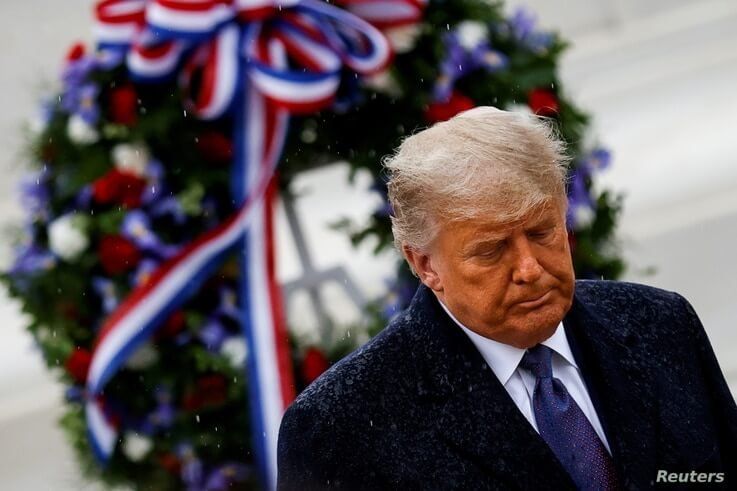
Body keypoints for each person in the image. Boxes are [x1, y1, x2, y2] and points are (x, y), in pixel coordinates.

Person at [276, 107, 737, 490]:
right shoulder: (341, 428)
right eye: (491, 250)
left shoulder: (661, 324)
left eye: (542, 232)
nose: (530, 268)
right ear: (425, 265)